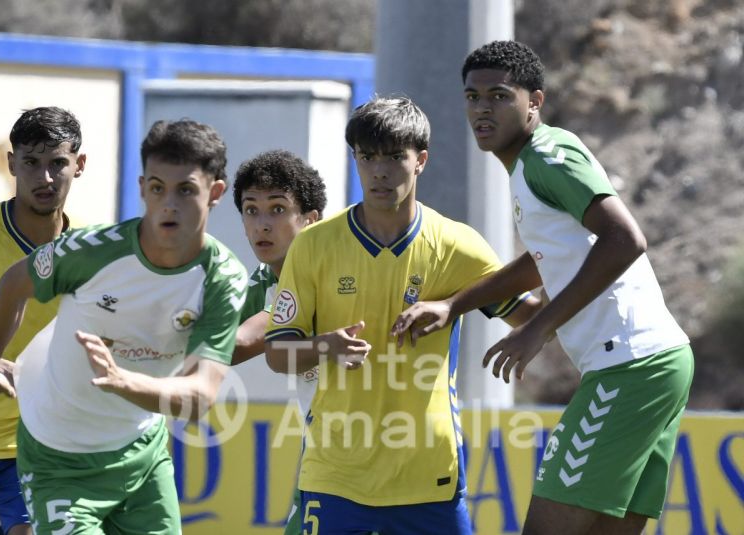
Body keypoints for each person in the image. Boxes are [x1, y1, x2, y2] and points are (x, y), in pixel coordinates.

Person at [391, 40, 694, 535]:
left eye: (499, 96)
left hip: (630, 366)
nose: (482, 109)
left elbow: (626, 239)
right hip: (656, 363)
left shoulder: (548, 156)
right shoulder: (529, 168)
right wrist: (454, 305)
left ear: (535, 101)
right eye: (472, 97)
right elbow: (543, 262)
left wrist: (538, 327)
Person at [263, 96, 539, 535]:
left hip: (428, 476)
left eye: (395, 157)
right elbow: (277, 354)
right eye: (368, 157)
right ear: (355, 159)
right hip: (336, 475)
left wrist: (572, 255)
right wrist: (324, 347)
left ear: (421, 161)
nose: (380, 171)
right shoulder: (313, 245)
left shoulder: (456, 245)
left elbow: (529, 316)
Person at [0, 118, 248, 534]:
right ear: (141, 188)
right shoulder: (91, 252)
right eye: (157, 188)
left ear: (215, 194)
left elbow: (200, 396)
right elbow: (14, 283)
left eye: (185, 190)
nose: (168, 204)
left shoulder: (224, 278)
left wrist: (123, 382)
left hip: (141, 455)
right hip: (56, 458)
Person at [0, 106, 84, 535]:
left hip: (36, 447)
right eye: (31, 163)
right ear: (11, 164)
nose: (44, 178)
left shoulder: (87, 251)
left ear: (79, 166)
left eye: (57, 163)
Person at [231, 149, 327, 535]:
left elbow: (240, 339)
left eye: (277, 209)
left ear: (310, 219)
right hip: (322, 450)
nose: (262, 225)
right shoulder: (263, 279)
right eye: (251, 211)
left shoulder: (328, 270)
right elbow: (222, 345)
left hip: (380, 441)